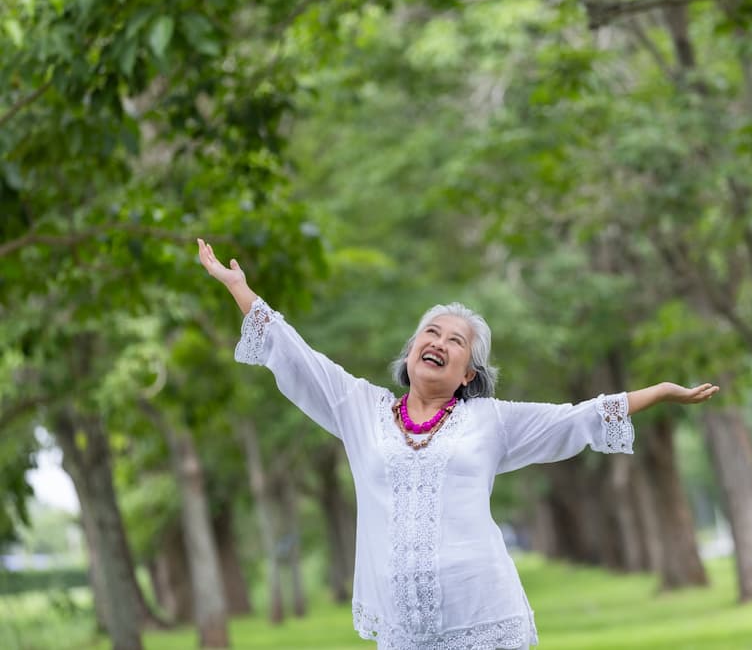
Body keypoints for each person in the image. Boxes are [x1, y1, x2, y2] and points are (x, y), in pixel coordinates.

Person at [197, 237, 718, 650]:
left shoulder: (490, 421)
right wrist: (239, 288)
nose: (439, 342)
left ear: (469, 373)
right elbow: (296, 356)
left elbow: (574, 419)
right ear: (411, 352)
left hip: (484, 618)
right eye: (431, 332)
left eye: (455, 340)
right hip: (404, 629)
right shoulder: (360, 408)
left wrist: (661, 393)